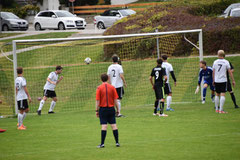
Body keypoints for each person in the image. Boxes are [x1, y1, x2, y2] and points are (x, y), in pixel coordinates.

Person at [96, 73, 120, 148]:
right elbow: (116, 100)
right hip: (111, 109)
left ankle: (102, 144)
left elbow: (97, 101)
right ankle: (117, 143)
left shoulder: (99, 88)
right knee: (114, 125)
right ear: (108, 79)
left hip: (103, 109)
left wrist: (96, 110)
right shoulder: (112, 87)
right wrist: (118, 109)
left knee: (104, 126)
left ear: (101, 79)